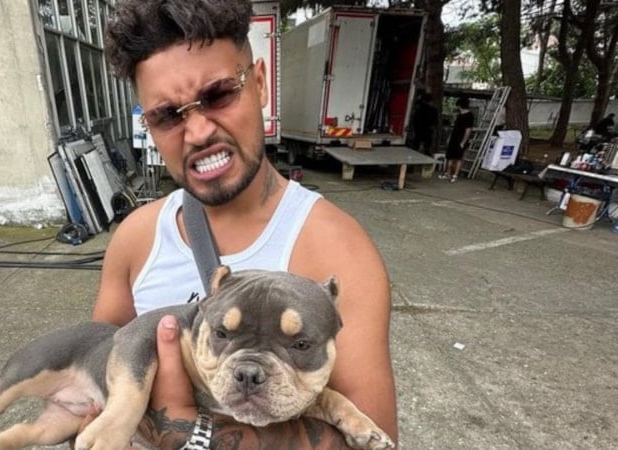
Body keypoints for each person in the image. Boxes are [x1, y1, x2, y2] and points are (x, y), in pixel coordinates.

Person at [85, 1, 398, 448]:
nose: (197, 133)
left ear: (260, 84)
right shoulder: (135, 239)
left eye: (218, 95)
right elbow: (92, 381)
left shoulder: (337, 249)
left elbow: (375, 436)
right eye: (167, 115)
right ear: (147, 126)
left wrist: (185, 429)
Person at [440, 96, 475, 183]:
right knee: (450, 156)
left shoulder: (469, 115)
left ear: (460, 105)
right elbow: (455, 128)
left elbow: (468, 130)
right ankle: (448, 173)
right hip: (454, 138)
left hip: (461, 139)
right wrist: (450, 137)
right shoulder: (459, 114)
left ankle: (455, 175)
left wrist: (463, 141)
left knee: (459, 157)